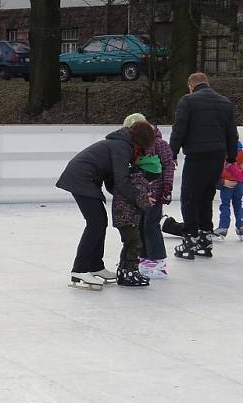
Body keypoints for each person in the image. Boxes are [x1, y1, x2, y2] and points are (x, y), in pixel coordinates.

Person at [56, 121, 156, 289]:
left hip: (86, 179)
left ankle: (96, 266)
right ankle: (79, 270)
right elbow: (121, 181)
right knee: (95, 223)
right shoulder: (122, 147)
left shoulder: (121, 144)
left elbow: (113, 181)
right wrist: (140, 199)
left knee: (99, 222)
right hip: (82, 179)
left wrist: (125, 197)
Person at [169, 72, 238, 260]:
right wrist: (231, 157)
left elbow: (179, 129)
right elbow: (232, 134)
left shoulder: (188, 101)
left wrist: (171, 153)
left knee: (190, 197)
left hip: (197, 156)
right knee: (206, 197)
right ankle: (205, 238)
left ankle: (190, 239)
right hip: (217, 157)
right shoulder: (225, 103)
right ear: (207, 84)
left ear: (191, 86)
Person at [122, 114, 175, 280]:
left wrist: (167, 187)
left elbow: (168, 165)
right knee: (140, 226)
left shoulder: (160, 144)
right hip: (141, 194)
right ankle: (144, 258)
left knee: (151, 226)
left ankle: (158, 261)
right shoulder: (135, 146)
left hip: (157, 193)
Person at [112, 154, 160, 287]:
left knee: (129, 243)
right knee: (135, 243)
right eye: (152, 179)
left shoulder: (133, 179)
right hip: (128, 218)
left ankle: (123, 270)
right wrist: (148, 201)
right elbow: (140, 200)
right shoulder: (139, 182)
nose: (151, 183)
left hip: (125, 218)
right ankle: (130, 270)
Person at [214, 141, 243, 240]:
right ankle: (241, 225)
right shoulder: (241, 151)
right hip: (239, 184)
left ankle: (223, 227)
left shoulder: (223, 149)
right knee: (238, 204)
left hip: (227, 183)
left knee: (225, 205)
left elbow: (218, 167)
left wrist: (221, 181)